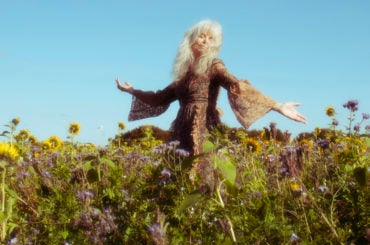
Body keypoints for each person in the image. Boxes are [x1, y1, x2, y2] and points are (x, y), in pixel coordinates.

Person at [115, 20, 306, 156]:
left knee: (204, 168)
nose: (205, 41)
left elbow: (236, 85)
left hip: (205, 124)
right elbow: (159, 97)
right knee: (181, 168)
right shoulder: (183, 74)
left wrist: (276, 105)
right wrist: (131, 91)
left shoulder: (214, 65)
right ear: (191, 39)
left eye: (211, 38)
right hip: (183, 126)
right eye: (202, 36)